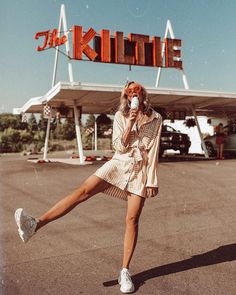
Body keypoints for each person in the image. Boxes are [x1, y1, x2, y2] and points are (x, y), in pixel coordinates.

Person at [14, 81, 162, 294]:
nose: (133, 95)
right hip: (119, 163)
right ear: (126, 97)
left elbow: (154, 150)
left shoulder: (156, 118)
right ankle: (34, 225)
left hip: (140, 170)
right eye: (129, 92)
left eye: (136, 91)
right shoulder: (121, 116)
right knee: (82, 191)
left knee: (132, 219)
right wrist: (129, 123)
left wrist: (151, 181)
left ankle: (124, 271)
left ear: (142, 94)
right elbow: (118, 146)